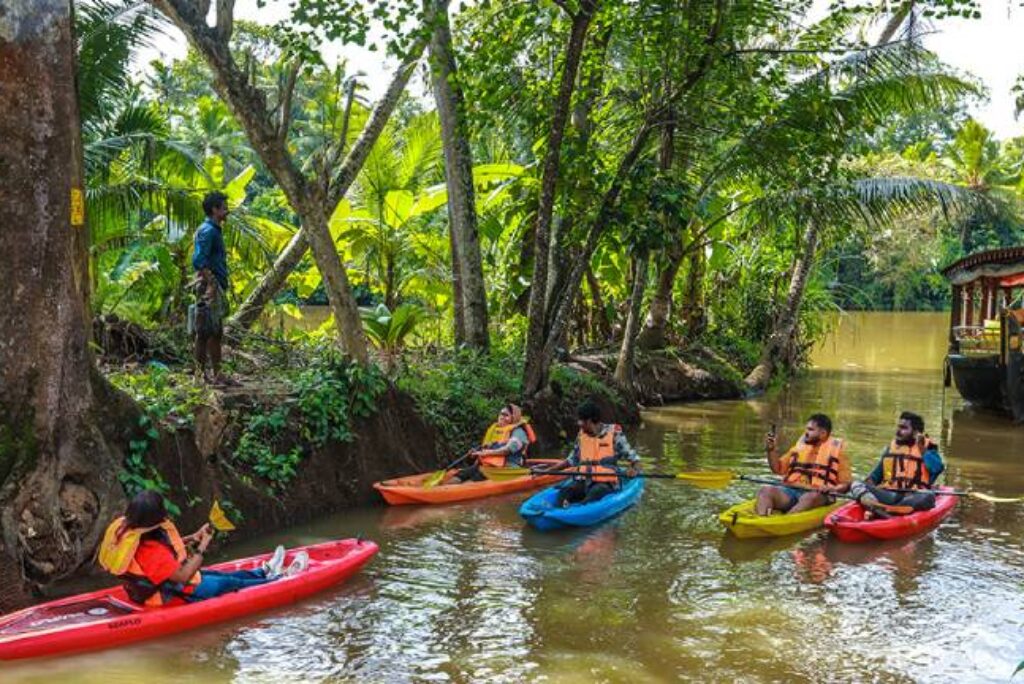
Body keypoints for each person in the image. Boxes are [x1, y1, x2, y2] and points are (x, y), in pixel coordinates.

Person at [98, 490, 307, 606]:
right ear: (154, 518)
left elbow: (168, 551)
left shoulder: (129, 531)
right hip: (167, 595)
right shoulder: (151, 551)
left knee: (215, 574)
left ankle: (264, 571)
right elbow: (184, 575)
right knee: (229, 582)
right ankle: (281, 580)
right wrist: (203, 546)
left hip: (161, 586)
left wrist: (193, 537)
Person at [542, 401, 640, 507]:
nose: (578, 423)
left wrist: (633, 469)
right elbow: (571, 460)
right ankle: (564, 507)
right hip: (583, 480)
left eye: (580, 420)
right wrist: (548, 471)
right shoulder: (581, 435)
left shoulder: (614, 434)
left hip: (605, 483)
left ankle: (578, 509)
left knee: (594, 494)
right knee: (564, 493)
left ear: (588, 421)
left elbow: (634, 459)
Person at [850, 411, 944, 517]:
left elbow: (937, 469)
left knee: (929, 496)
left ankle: (881, 511)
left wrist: (922, 451)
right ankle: (876, 507)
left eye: (903, 428)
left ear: (916, 432)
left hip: (912, 497)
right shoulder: (891, 449)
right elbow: (875, 476)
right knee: (856, 484)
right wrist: (867, 487)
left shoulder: (927, 449)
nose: (898, 431)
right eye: (898, 427)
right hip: (890, 496)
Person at [756, 413, 851, 515]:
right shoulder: (798, 448)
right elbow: (777, 469)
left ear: (823, 433)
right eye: (806, 429)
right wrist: (771, 450)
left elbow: (846, 485)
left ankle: (785, 521)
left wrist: (833, 488)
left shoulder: (837, 453)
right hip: (791, 491)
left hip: (818, 495)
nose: (806, 432)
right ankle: (762, 520)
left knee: (810, 497)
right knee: (765, 490)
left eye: (810, 430)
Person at [191, 191, 235, 387]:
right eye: (224, 207)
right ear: (214, 210)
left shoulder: (214, 230)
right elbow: (199, 260)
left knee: (214, 331)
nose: (227, 210)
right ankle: (201, 376)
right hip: (210, 287)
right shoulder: (208, 231)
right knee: (206, 332)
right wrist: (211, 284)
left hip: (214, 285)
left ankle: (215, 374)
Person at [450, 404, 536, 483]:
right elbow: (486, 449)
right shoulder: (495, 430)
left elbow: (508, 450)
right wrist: (475, 454)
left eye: (506, 415)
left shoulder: (518, 432)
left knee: (472, 480)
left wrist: (486, 452)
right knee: (460, 475)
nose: (502, 417)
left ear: (514, 417)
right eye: (501, 414)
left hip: (506, 470)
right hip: (488, 466)